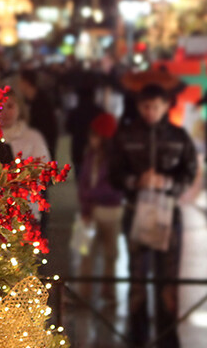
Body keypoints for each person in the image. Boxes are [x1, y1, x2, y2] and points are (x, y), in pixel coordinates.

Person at [110, 84, 199, 348]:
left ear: (166, 107)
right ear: (139, 107)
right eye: (146, 107)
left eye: (156, 107)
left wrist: (168, 183)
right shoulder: (125, 135)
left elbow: (189, 171)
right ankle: (137, 338)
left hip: (168, 216)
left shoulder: (180, 136)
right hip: (136, 213)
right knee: (137, 278)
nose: (151, 112)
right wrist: (135, 181)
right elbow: (113, 173)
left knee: (168, 281)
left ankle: (167, 339)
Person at [76, 111, 125, 305]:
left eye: (95, 135)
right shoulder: (90, 155)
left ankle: (108, 293)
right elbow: (83, 182)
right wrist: (85, 205)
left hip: (110, 212)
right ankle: (84, 293)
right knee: (84, 253)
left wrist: (88, 196)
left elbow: (113, 188)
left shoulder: (115, 159)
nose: (91, 139)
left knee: (110, 256)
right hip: (89, 212)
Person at [0, 92, 52, 219]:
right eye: (1, 107)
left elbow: (43, 171)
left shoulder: (32, 137)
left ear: (19, 109)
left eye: (10, 106)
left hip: (26, 209)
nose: (5, 112)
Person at [17, 69, 60, 158]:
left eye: (20, 82)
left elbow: (48, 129)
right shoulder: (27, 101)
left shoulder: (42, 102)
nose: (19, 85)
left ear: (26, 83)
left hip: (43, 148)